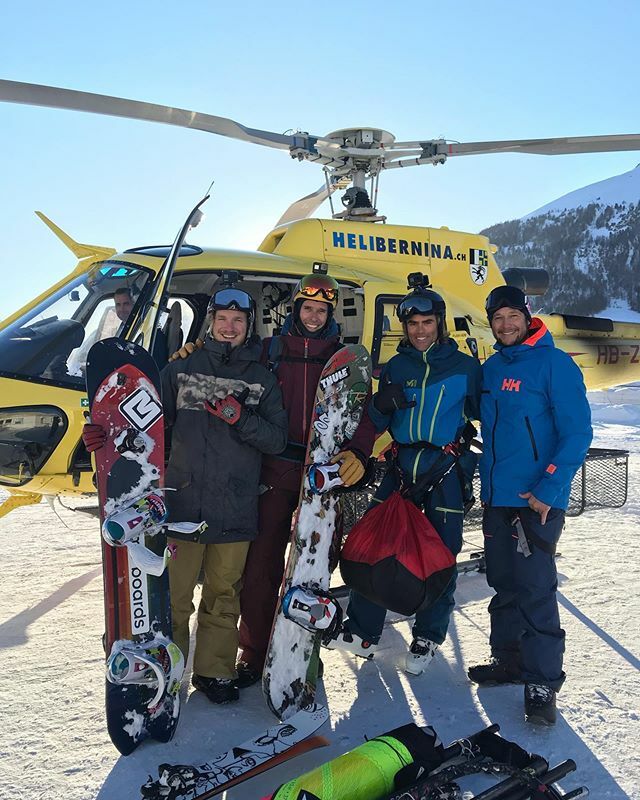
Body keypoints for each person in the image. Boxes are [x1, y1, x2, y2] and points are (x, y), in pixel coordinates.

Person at [170, 273, 376, 687]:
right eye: (307, 307)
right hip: (271, 470)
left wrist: (359, 452)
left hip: (321, 474)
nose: (314, 315)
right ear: (295, 309)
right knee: (259, 570)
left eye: (322, 309)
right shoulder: (267, 351)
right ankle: (257, 651)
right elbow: (225, 361)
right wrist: (191, 352)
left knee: (313, 570)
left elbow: (361, 411)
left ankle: (301, 651)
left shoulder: (344, 358)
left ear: (330, 314)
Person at [84, 286, 288, 705]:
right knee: (174, 599)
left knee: (223, 595)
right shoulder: (179, 371)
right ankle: (170, 669)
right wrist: (104, 437)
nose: (229, 328)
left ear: (249, 327)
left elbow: (277, 439)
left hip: (235, 505)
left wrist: (240, 416)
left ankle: (215, 672)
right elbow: (147, 426)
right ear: (211, 321)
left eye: (238, 321)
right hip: (182, 506)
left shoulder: (262, 379)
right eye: (222, 319)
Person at [325, 280, 482, 675]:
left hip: (444, 471)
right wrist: (373, 420)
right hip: (400, 469)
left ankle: (427, 636)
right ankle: (363, 630)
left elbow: (491, 415)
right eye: (413, 324)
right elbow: (376, 418)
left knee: (438, 557)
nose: (420, 331)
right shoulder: (397, 366)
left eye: (427, 322)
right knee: (376, 547)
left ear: (439, 323)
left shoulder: (464, 367)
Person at [468, 285, 592, 725]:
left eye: (512, 316)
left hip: (535, 500)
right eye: (497, 318)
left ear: (526, 316)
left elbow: (577, 433)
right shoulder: (492, 367)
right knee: (503, 581)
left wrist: (549, 488)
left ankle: (542, 680)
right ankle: (508, 660)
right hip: (497, 498)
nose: (505, 325)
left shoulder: (554, 364)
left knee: (535, 587)